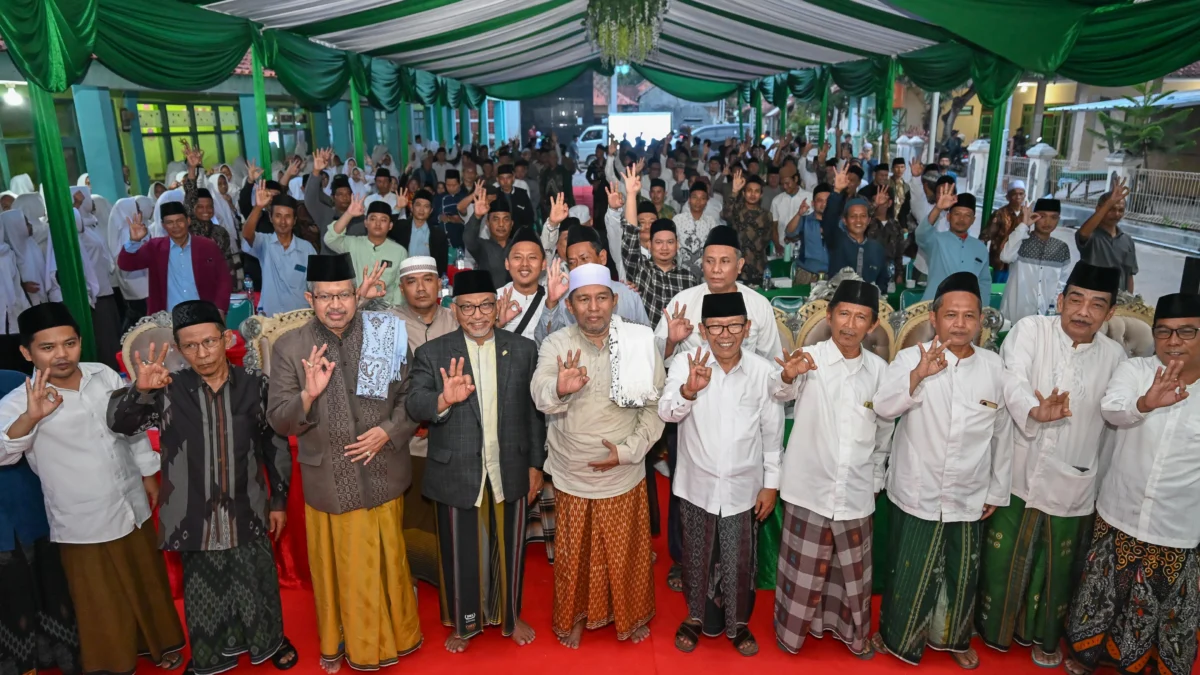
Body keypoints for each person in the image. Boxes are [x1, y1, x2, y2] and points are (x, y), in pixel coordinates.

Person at [871, 272, 1070, 668]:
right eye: (951, 315)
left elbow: (1002, 433)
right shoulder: (912, 358)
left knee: (962, 574)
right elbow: (883, 406)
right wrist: (917, 377)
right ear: (934, 317)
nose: (960, 324)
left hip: (968, 492)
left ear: (981, 320)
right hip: (916, 488)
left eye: (969, 316)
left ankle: (954, 638)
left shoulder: (995, 367)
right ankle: (896, 637)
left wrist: (998, 489)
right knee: (909, 568)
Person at [107, 300, 299, 675]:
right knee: (206, 589)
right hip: (193, 510)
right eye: (191, 346)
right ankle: (211, 652)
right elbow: (120, 424)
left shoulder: (254, 385)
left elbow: (274, 444)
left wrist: (278, 500)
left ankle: (270, 640)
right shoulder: (165, 388)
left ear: (226, 338)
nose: (202, 353)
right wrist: (140, 390)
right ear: (178, 349)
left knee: (257, 581)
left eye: (210, 342)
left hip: (247, 502)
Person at [0, 303, 185, 675]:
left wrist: (149, 474)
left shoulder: (102, 374)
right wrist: (31, 418)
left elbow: (129, 427)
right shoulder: (20, 401)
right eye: (47, 347)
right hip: (81, 516)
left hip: (129, 497)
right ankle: (113, 664)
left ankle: (158, 644)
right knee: (100, 597)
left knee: (146, 578)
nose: (61, 355)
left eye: (69, 343)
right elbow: (3, 450)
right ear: (26, 352)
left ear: (80, 342)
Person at [266, 253, 422, 672]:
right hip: (330, 482)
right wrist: (307, 396)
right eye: (325, 297)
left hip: (384, 470)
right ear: (309, 298)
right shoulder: (290, 346)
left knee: (390, 559)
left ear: (356, 295)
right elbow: (278, 420)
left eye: (344, 295)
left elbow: (412, 396)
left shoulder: (385, 334)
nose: (335, 305)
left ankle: (400, 635)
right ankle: (346, 643)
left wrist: (389, 430)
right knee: (344, 571)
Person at [977, 262, 1125, 668]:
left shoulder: (1115, 356)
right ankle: (993, 631)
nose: (1083, 311)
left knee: (1056, 567)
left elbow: (1118, 416)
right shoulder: (1031, 330)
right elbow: (1012, 378)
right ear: (1059, 300)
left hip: (1071, 477)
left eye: (1097, 305)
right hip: (1017, 468)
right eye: (1075, 299)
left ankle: (1044, 637)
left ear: (1110, 314)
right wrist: (1033, 410)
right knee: (1001, 558)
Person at [405, 269, 545, 653]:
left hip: (510, 466)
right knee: (459, 551)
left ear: (498, 307)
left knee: (510, 548)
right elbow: (414, 402)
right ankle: (463, 623)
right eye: (468, 307)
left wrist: (536, 465)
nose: (478, 314)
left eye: (486, 305)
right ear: (454, 309)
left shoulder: (522, 349)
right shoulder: (432, 353)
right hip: (457, 469)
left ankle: (511, 618)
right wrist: (443, 400)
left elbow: (534, 415)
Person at [1062, 292, 1200, 675]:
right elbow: (1112, 409)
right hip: (1120, 509)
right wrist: (1145, 404)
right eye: (1164, 332)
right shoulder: (1136, 371)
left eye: (1187, 332)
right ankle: (1088, 653)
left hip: (1176, 524)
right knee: (1101, 595)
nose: (1173, 342)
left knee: (1165, 610)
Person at [532, 263, 665, 649]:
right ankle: (575, 617)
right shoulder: (557, 344)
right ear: (570, 306)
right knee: (575, 555)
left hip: (623, 468)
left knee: (625, 553)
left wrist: (628, 452)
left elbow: (654, 405)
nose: (594, 308)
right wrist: (559, 385)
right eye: (583, 299)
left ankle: (629, 615)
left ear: (614, 300)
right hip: (573, 468)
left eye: (601, 298)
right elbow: (540, 392)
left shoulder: (640, 341)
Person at [771, 280, 893, 659]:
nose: (850, 325)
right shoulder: (809, 357)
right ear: (829, 316)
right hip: (809, 484)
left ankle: (848, 631)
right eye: (843, 314)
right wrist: (788, 375)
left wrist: (875, 479)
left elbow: (884, 431)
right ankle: (791, 633)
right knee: (803, 569)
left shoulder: (879, 370)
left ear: (872, 326)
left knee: (851, 573)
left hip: (855, 488)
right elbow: (781, 394)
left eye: (861, 317)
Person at [659, 292, 783, 656]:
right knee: (697, 555)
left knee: (740, 557)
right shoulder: (686, 363)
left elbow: (772, 434)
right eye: (715, 327)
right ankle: (696, 616)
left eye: (733, 326)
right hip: (697, 483)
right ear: (702, 330)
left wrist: (770, 485)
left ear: (747, 329)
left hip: (744, 487)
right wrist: (688, 391)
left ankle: (738, 622)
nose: (724, 334)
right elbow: (667, 412)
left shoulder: (763, 373)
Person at [385, 256, 458, 584]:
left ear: (439, 284)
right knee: (412, 513)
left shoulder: (456, 319)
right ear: (401, 288)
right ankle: (410, 577)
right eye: (412, 282)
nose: (420, 288)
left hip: (452, 436)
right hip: (409, 439)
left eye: (427, 279)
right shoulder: (387, 325)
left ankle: (448, 575)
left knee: (447, 515)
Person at [655, 225, 782, 361]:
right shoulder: (682, 302)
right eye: (709, 261)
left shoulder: (759, 304)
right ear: (702, 264)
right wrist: (671, 342)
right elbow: (654, 360)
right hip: (691, 379)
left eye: (724, 261)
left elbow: (771, 361)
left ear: (739, 265)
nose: (716, 269)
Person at [534, 224, 650, 344]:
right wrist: (552, 302)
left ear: (602, 257)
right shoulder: (565, 298)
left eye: (584, 259)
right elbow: (544, 342)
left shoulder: (628, 294)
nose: (579, 267)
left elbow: (647, 340)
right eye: (572, 263)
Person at [118, 202, 232, 315]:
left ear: (188, 221)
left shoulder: (207, 246)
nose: (175, 226)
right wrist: (134, 241)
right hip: (168, 319)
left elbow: (224, 279)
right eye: (169, 222)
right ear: (163, 225)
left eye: (179, 221)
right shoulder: (155, 248)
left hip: (204, 315)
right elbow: (126, 264)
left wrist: (220, 309)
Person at [620, 172, 698, 318]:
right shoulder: (641, 270)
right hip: (645, 338)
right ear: (649, 245)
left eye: (670, 242)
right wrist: (631, 194)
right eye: (658, 242)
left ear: (678, 245)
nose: (664, 248)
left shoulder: (689, 278)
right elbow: (630, 235)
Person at [243, 185, 317, 316]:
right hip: (270, 319)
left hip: (301, 318)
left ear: (294, 221)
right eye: (278, 216)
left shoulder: (307, 248)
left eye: (288, 217)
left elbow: (316, 285)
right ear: (271, 218)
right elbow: (247, 234)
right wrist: (258, 207)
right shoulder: (264, 243)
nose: (283, 221)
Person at [998, 198, 1073, 322]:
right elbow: (1005, 257)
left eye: (1053, 217)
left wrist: (1053, 310)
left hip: (1046, 317)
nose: (1047, 222)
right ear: (1034, 216)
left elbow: (1061, 284)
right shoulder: (1020, 240)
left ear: (1058, 220)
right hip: (1016, 314)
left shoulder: (1061, 248)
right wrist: (1023, 225)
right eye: (1042, 216)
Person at [325, 196, 408, 307]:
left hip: (386, 311)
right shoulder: (353, 244)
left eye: (383, 220)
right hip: (354, 307)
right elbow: (330, 239)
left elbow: (399, 285)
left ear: (390, 226)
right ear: (365, 223)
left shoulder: (399, 251)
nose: (378, 224)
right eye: (373, 219)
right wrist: (348, 214)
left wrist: (397, 312)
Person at [820, 167, 892, 294]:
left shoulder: (877, 248)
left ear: (869, 220)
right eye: (853, 216)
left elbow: (883, 281)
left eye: (863, 216)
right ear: (844, 221)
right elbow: (829, 220)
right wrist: (836, 191)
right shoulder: (836, 240)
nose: (858, 221)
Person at [916, 186, 991, 302]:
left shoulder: (980, 248)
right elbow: (921, 234)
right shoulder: (936, 240)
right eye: (957, 214)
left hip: (966, 309)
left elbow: (984, 283)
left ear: (973, 220)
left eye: (967, 215)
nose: (961, 219)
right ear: (948, 216)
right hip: (934, 306)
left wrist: (982, 310)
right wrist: (938, 208)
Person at [1075, 176, 1138, 293]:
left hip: (1117, 300)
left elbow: (1129, 275)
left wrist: (1129, 301)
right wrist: (1109, 203)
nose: (1116, 214)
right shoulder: (1091, 235)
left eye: (1120, 210)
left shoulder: (1127, 240)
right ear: (1099, 208)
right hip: (1091, 297)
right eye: (1111, 209)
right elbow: (1083, 233)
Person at [723, 169, 776, 285]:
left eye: (757, 191)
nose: (753, 194)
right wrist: (734, 191)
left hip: (759, 267)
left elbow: (767, 239)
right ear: (743, 193)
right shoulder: (737, 210)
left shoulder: (766, 215)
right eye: (749, 191)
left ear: (761, 194)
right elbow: (726, 214)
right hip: (737, 267)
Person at [464, 182, 520, 288]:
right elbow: (468, 239)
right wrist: (477, 216)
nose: (501, 224)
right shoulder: (482, 246)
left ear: (511, 224)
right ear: (487, 223)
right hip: (489, 301)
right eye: (495, 219)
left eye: (506, 219)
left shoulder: (519, 246)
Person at [497, 226, 548, 340]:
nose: (525, 264)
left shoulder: (552, 300)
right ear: (507, 263)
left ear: (544, 264)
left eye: (532, 257)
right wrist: (498, 325)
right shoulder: (495, 299)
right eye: (518, 257)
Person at [308, 149, 363, 252]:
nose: (345, 197)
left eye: (348, 193)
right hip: (330, 265)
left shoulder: (360, 218)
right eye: (340, 194)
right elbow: (310, 200)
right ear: (333, 197)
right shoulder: (326, 213)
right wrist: (316, 171)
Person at [672, 182, 722, 279]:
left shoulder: (711, 222)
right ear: (689, 200)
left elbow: (714, 248)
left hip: (703, 275)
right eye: (695, 197)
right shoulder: (677, 220)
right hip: (680, 272)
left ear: (707, 201)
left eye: (702, 198)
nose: (698, 201)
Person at [391, 189, 448, 274]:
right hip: (402, 276)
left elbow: (442, 265)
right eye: (418, 205)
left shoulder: (439, 235)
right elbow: (386, 228)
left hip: (427, 278)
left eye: (426, 206)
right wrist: (398, 207)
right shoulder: (401, 227)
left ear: (431, 211)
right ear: (412, 207)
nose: (421, 210)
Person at [980, 181, 1026, 282]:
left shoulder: (1026, 214)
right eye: (1014, 193)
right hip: (1000, 264)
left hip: (1019, 263)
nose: (1018, 196)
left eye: (1021, 193)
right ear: (1007, 197)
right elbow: (985, 236)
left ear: (1025, 195)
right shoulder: (1000, 214)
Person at [492, 164, 536, 229]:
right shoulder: (494, 194)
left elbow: (530, 215)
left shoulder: (522, 193)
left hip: (519, 232)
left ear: (513, 178)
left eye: (508, 177)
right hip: (500, 231)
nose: (505, 181)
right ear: (497, 179)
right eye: (502, 178)